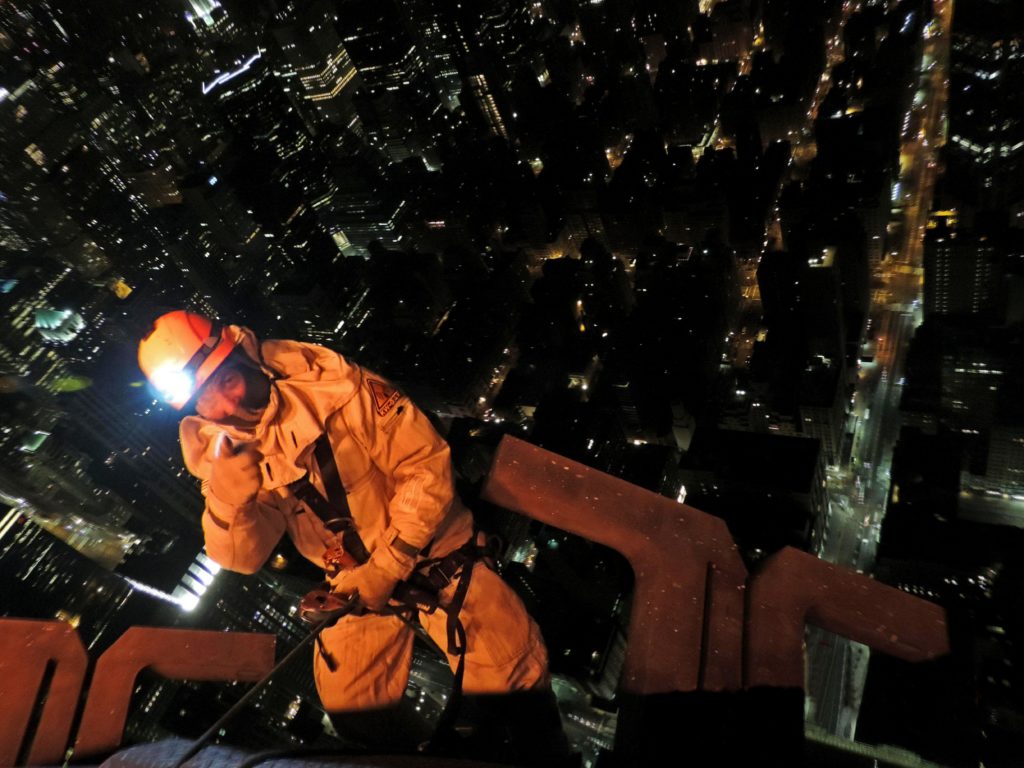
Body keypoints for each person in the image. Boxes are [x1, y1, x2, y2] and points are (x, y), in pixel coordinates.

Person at [137, 310, 567, 761]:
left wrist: (389, 565)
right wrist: (229, 501)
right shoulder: (222, 452)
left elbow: (424, 465)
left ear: (244, 356)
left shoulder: (334, 386)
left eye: (227, 381)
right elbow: (242, 557)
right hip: (353, 580)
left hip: (432, 552)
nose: (226, 406)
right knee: (354, 704)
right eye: (205, 399)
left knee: (510, 667)